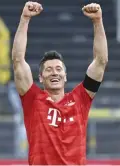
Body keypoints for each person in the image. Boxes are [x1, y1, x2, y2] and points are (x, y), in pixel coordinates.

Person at [12, 1, 108, 165]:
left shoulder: (81, 99)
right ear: (41, 77)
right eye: (48, 70)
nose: (54, 72)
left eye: (58, 69)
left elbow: (100, 61)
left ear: (65, 76)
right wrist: (25, 18)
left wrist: (97, 22)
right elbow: (18, 61)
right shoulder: (33, 99)